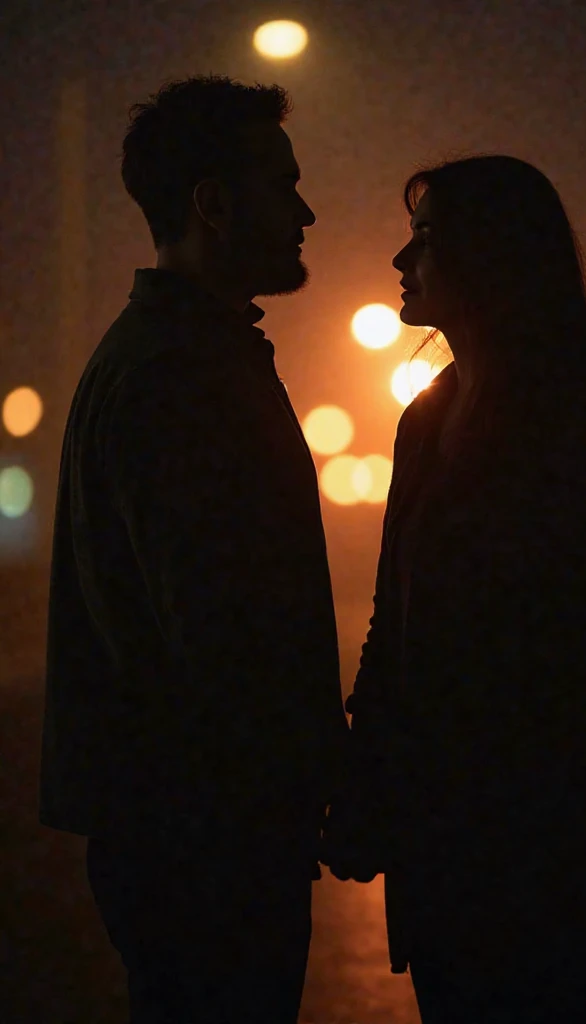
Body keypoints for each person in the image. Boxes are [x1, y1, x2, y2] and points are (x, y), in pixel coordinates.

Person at [321, 154, 586, 1023]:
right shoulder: (429, 416)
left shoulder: (558, 425)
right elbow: (392, 625)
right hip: (457, 832)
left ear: (490, 257)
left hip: (539, 834)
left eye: (425, 240)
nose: (404, 262)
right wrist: (369, 771)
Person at [39, 75, 349, 1024]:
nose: (305, 211)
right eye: (282, 184)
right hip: (209, 836)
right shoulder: (182, 374)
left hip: (179, 826)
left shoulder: (162, 355)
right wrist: (315, 786)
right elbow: (222, 632)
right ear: (214, 204)